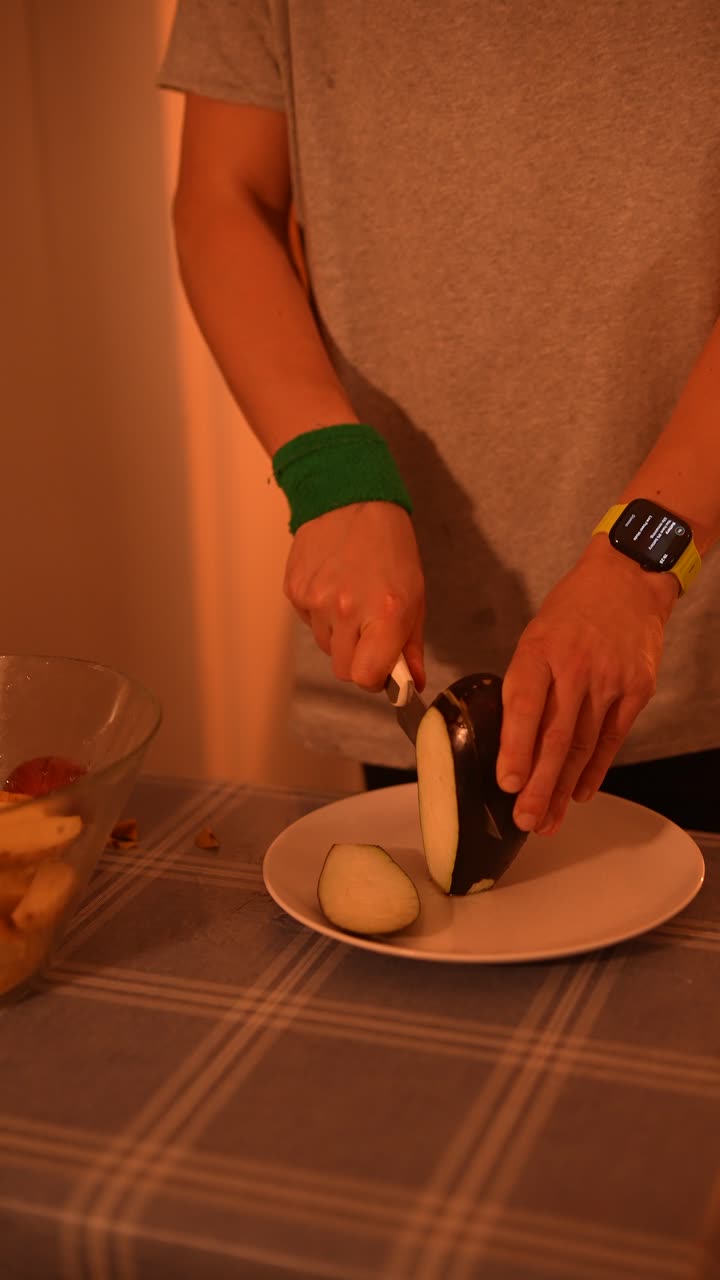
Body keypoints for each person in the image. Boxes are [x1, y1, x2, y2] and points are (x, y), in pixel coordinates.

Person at [158, 2, 720, 833]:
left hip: (695, 638)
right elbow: (223, 196)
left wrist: (643, 565)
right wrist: (333, 479)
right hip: (412, 645)